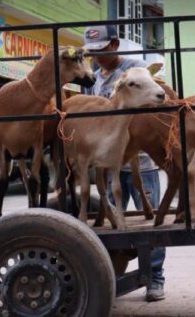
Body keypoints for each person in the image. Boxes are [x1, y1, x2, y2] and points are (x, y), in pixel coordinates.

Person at [82, 24, 167, 302]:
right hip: (108, 160)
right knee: (111, 219)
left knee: (151, 219)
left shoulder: (136, 70)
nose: (97, 57)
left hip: (140, 160)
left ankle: (155, 278)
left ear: (115, 45)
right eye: (92, 52)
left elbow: (154, 101)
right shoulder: (94, 78)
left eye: (102, 50)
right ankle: (112, 274)